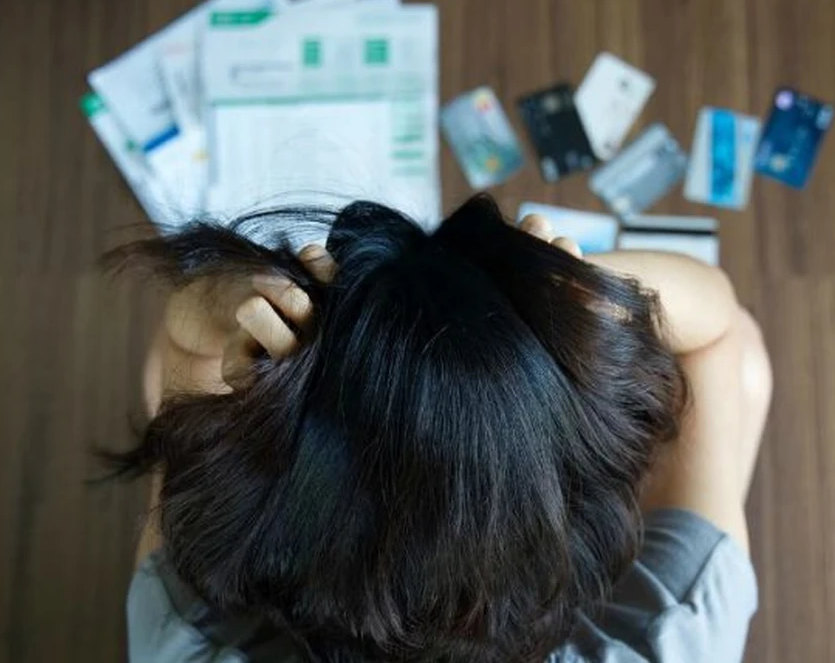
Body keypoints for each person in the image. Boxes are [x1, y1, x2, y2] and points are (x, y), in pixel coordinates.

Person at [111, 196, 772, 662]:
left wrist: (231, 306)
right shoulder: (670, 638)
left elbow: (177, 347)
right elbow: (720, 336)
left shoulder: (185, 644)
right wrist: (598, 298)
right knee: (740, 373)